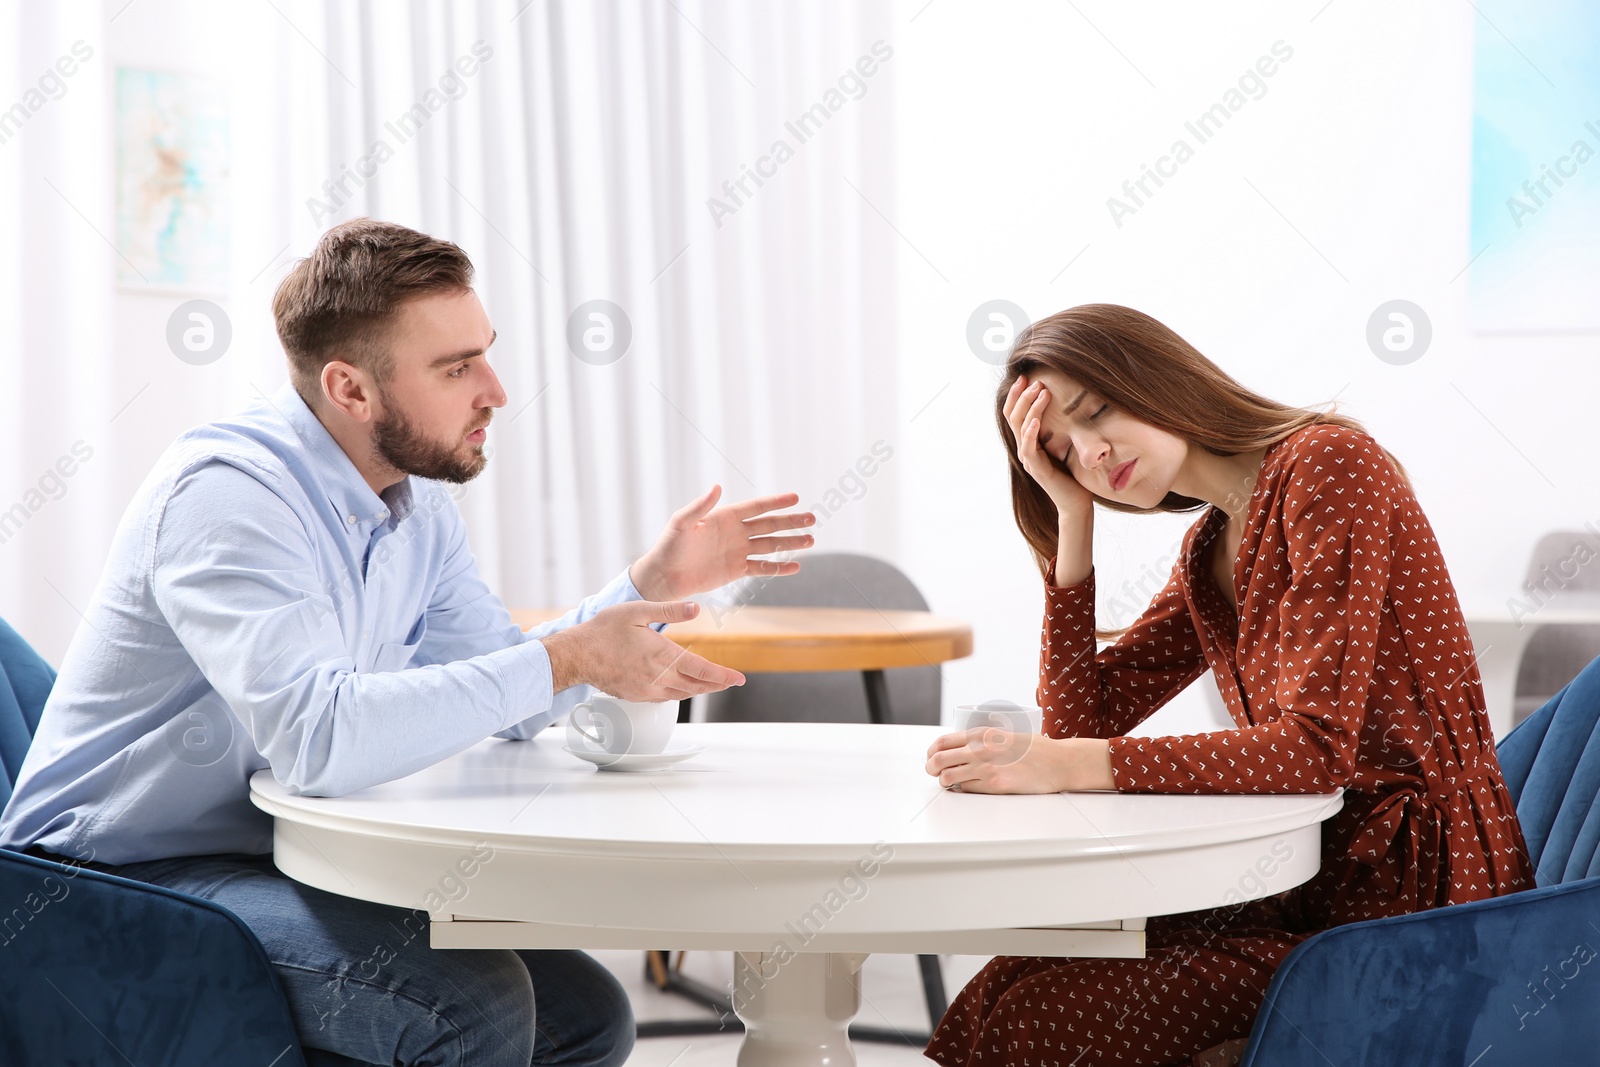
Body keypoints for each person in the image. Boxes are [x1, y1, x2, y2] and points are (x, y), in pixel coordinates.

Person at [0, 218, 815, 1067]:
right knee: (474, 1010)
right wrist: (570, 656)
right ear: (350, 389)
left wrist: (645, 586)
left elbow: (508, 694)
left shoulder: (414, 506)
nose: (496, 389)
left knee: (590, 1013)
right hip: (104, 882)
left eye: (486, 353)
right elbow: (321, 740)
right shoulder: (229, 498)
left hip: (264, 851)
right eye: (456, 368)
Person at [921, 304, 1534, 1067]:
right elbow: (1085, 718)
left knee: (1042, 1017)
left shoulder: (1330, 466)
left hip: (1419, 915)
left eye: (1095, 410)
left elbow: (1313, 752)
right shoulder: (1211, 543)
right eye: (1062, 450)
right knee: (1006, 982)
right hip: (1309, 878)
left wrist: (1067, 765)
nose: (1091, 449)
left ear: (1156, 374)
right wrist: (1069, 518)